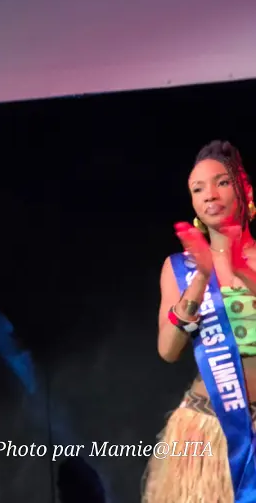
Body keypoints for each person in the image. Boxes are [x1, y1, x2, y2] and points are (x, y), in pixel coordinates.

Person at [144, 140, 256, 502]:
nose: (210, 194)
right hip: (207, 429)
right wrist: (201, 276)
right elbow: (167, 350)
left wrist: (238, 269)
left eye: (222, 182)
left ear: (245, 190)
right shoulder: (179, 268)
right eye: (198, 188)